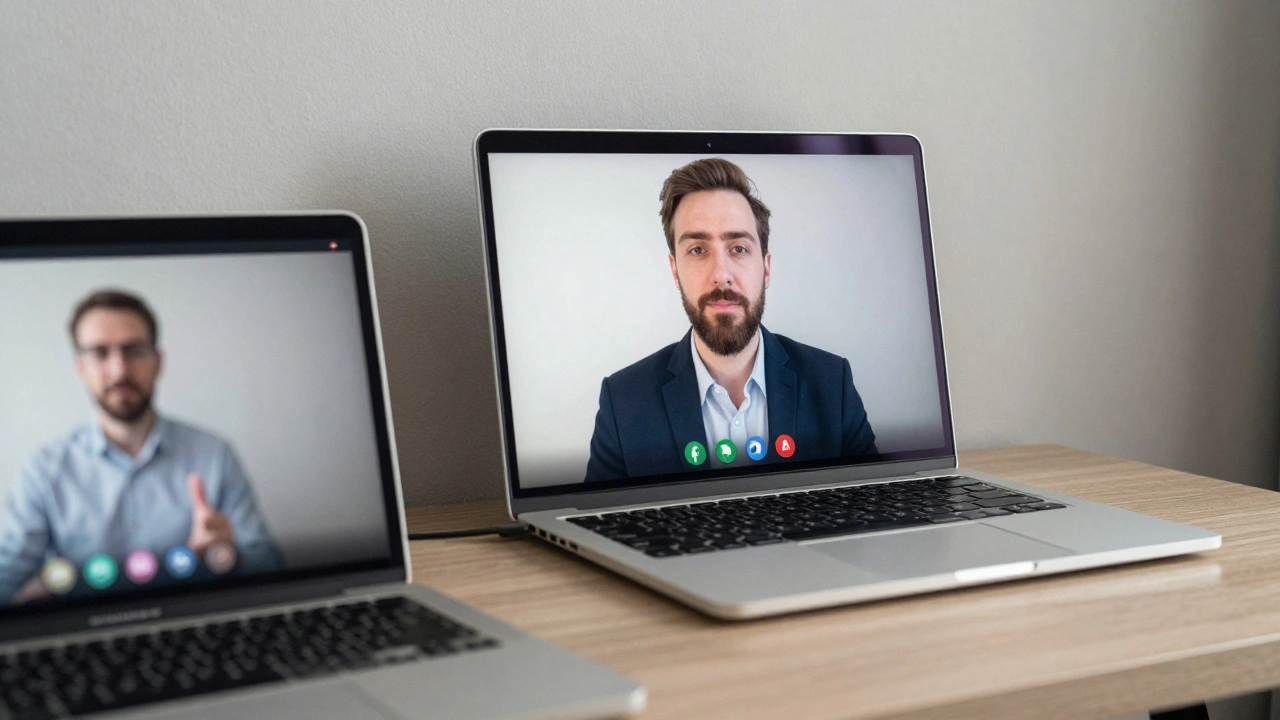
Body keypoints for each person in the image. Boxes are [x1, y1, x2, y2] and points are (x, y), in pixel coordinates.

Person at [585, 158, 877, 482]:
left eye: (738, 248)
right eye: (697, 250)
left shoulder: (832, 384)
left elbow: (875, 510)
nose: (721, 275)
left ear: (766, 269)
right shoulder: (623, 401)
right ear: (674, 271)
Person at [0, 290, 281, 604]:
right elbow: (7, 580)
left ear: (157, 362)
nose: (119, 370)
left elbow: (269, 568)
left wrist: (230, 556)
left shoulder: (215, 455)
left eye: (134, 351)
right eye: (100, 353)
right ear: (81, 367)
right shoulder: (43, 470)